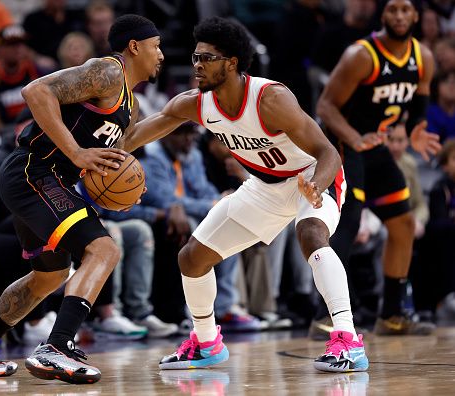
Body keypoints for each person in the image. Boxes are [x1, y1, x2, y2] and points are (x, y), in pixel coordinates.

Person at [121, 16, 367, 373]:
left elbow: (327, 151)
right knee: (191, 257)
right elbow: (131, 139)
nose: (197, 66)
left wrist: (317, 186)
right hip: (262, 187)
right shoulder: (195, 104)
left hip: (310, 177)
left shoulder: (271, 99)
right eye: (195, 58)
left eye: (207, 58)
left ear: (232, 63)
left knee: (311, 234)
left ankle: (348, 340)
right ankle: (206, 343)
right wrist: (90, 150)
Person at [0, 14, 164, 384]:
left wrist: (177, 117)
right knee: (105, 249)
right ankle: (58, 346)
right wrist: (77, 153)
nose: (161, 56)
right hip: (33, 171)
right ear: (135, 46)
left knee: (50, 276)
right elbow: (36, 92)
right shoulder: (107, 72)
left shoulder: (131, 104)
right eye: (157, 47)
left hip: (47, 181)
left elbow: (120, 151)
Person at [316, 0, 441, 337]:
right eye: (393, 10)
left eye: (405, 10)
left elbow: (419, 102)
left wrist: (416, 127)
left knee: (403, 222)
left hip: (375, 144)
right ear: (381, 15)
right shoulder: (362, 55)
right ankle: (326, 316)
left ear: (416, 15)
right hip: (342, 141)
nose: (399, 16)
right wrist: (354, 139)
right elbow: (325, 106)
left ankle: (391, 314)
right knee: (349, 220)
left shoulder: (422, 57)